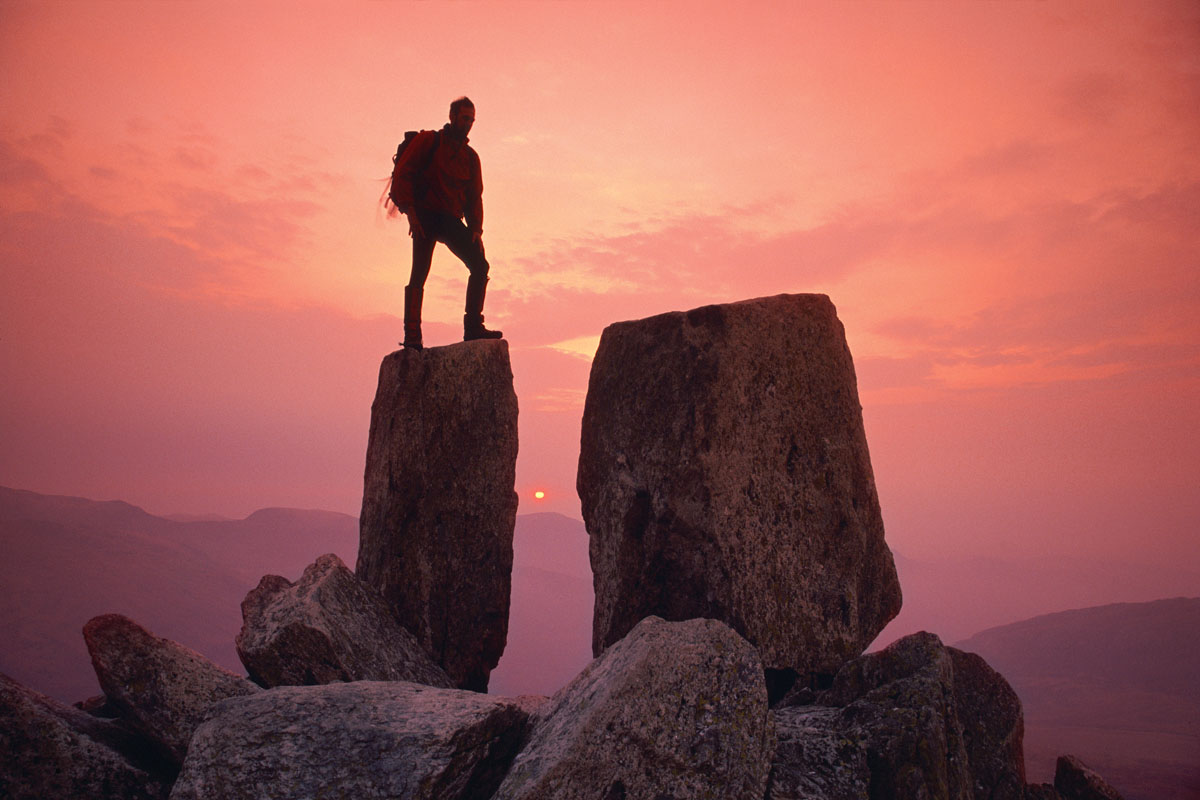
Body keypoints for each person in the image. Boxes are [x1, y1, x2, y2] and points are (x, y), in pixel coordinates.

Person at [389, 96, 502, 350]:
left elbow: (475, 196)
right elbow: (404, 174)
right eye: (465, 118)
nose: (469, 124)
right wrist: (411, 212)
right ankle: (412, 336)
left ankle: (473, 327)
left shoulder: (471, 157)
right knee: (419, 272)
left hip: (449, 218)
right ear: (452, 116)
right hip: (425, 215)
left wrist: (476, 229)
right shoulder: (429, 141)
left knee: (480, 266)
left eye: (472, 120)